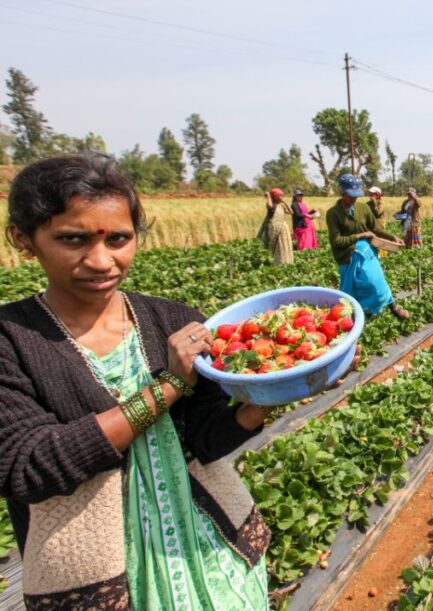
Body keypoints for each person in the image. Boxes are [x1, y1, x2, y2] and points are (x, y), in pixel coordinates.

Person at [0, 155, 274, 609]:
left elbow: (204, 440)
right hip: (98, 577)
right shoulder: (12, 339)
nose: (101, 260)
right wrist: (166, 386)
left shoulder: (172, 319)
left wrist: (262, 400)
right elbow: (28, 467)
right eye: (73, 239)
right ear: (24, 240)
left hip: (209, 552)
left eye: (119, 239)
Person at [326, 174, 409, 319]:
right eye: (351, 195)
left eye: (356, 195)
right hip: (347, 256)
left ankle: (393, 306)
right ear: (342, 192)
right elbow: (336, 241)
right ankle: (357, 316)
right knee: (353, 289)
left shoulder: (363, 208)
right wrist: (360, 236)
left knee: (376, 281)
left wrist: (392, 237)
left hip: (367, 253)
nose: (354, 198)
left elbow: (375, 229)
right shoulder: (333, 213)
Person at [261, 187, 294, 264]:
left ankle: (285, 261)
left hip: (282, 228)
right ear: (275, 197)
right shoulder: (272, 205)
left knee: (283, 244)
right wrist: (269, 196)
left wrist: (284, 202)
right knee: (275, 245)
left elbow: (291, 212)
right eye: (280, 196)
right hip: (274, 227)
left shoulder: (281, 206)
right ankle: (277, 261)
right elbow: (269, 205)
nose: (281, 197)